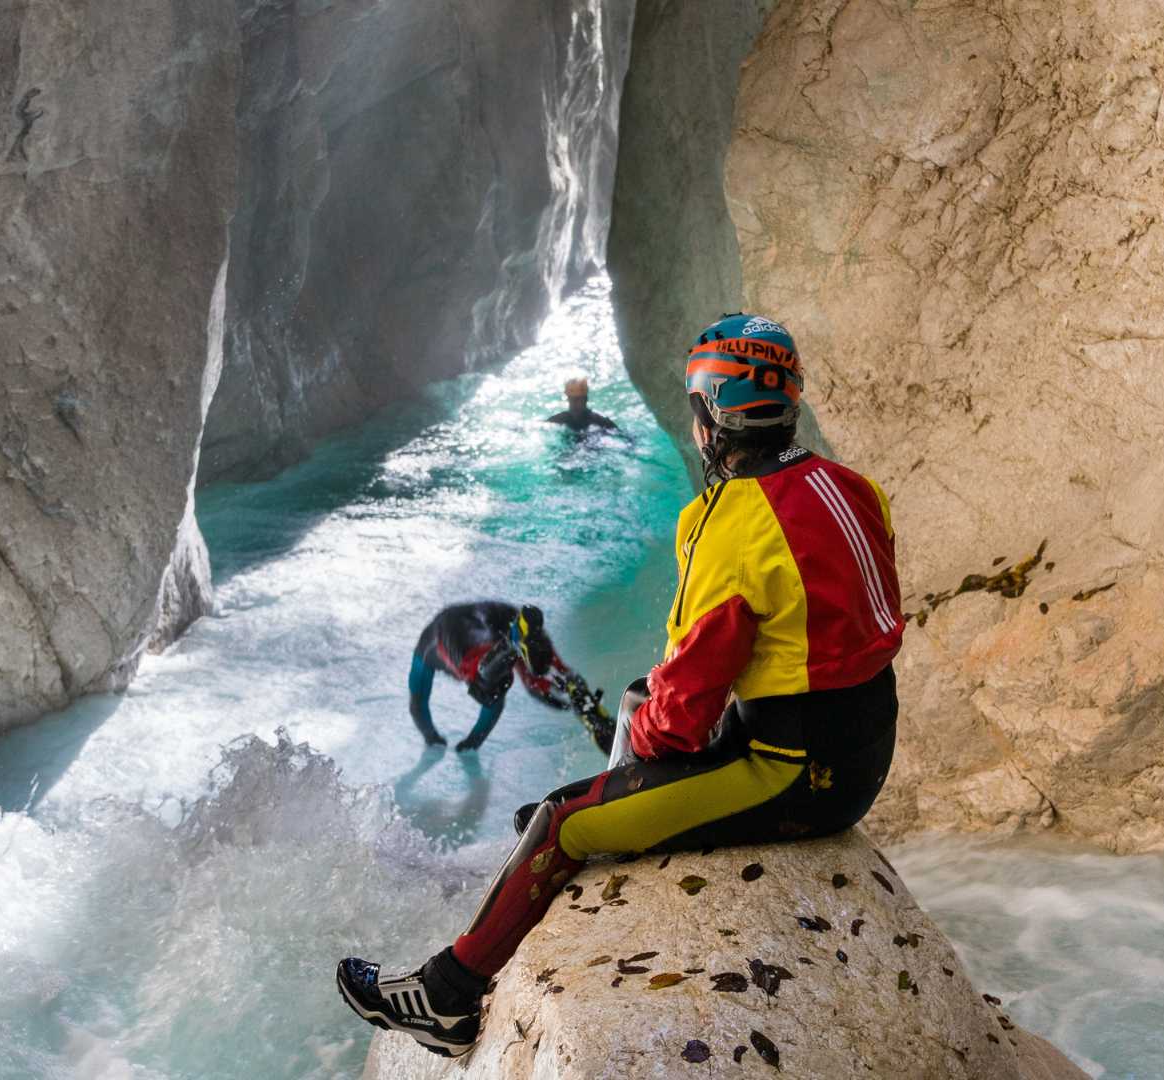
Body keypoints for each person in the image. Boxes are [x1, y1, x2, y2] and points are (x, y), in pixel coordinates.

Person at [338, 313, 904, 1057]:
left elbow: (680, 722)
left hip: (795, 776)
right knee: (641, 701)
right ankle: (607, 812)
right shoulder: (850, 488)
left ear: (710, 413)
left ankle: (448, 998)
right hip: (862, 745)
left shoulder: (730, 523)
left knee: (563, 821)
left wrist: (627, 756)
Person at [407, 601, 612, 753]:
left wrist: (436, 738)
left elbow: (417, 705)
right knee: (538, 680)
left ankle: (513, 643)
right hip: (507, 615)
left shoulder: (424, 653)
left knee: (487, 688)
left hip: (451, 631)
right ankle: (581, 701)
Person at [545, 377, 617, 433]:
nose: (575, 404)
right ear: (568, 399)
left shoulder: (600, 421)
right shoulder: (558, 420)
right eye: (573, 400)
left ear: (586, 399)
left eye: (579, 400)